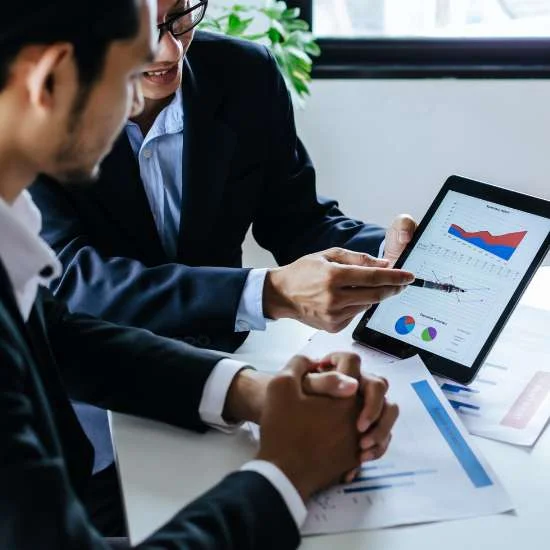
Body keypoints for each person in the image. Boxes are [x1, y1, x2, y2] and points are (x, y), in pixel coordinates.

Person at [0, 1, 399, 549]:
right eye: (128, 73)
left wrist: (255, 393)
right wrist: (285, 474)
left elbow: (60, 333)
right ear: (49, 82)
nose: (145, 95)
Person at [31, 0, 417, 356]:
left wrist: (387, 254)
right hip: (92, 372)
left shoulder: (246, 74)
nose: (172, 51)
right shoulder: (37, 109)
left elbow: (296, 219)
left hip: (223, 357)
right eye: (143, 28)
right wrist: (267, 293)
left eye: (180, 15)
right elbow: (67, 280)